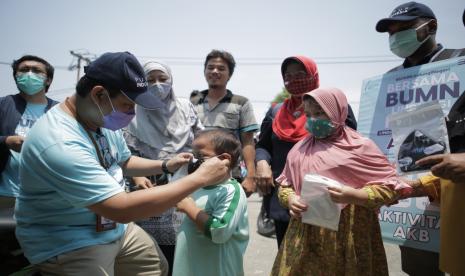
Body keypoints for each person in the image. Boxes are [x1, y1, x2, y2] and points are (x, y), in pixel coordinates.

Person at [14, 52, 230, 276]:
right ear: (99, 95)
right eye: (127, 104)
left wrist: (165, 165)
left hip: (113, 228)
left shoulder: (99, 120)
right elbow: (121, 208)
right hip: (70, 240)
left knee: (154, 265)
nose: (132, 113)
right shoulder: (59, 142)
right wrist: (200, 178)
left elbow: (124, 160)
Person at [271, 87, 413, 276]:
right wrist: (290, 199)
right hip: (306, 234)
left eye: (320, 113)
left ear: (337, 112)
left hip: (351, 232)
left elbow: (392, 188)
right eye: (308, 114)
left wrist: (355, 195)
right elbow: (285, 185)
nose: (313, 119)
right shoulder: (299, 149)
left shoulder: (362, 147)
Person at [376, 2, 465, 274]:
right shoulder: (388, 81)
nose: (396, 37)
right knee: (420, 267)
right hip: (412, 203)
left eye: (404, 29)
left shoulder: (460, 61)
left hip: (457, 189)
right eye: (392, 32)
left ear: (432, 27)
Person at [254, 56, 358, 247]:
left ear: (313, 74)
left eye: (300, 74)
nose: (294, 79)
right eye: (288, 76)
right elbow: (262, 146)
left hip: (327, 198)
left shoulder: (333, 106)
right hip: (285, 197)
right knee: (288, 259)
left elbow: (350, 146)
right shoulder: (275, 112)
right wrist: (261, 163)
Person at [124, 60, 203, 275]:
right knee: (155, 252)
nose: (158, 85)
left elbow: (201, 139)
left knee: (188, 245)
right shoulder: (133, 113)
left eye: (163, 79)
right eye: (150, 80)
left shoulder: (186, 107)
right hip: (151, 187)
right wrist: (139, 178)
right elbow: (127, 154)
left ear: (171, 80)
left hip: (186, 183)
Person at [173, 129, 249, 276]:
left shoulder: (230, 191)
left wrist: (190, 209)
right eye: (194, 155)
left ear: (224, 159)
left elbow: (220, 231)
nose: (194, 161)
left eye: (201, 156)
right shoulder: (196, 186)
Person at [190, 49, 259, 197]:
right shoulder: (192, 103)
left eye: (221, 68)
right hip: (194, 176)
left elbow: (248, 141)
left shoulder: (241, 103)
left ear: (230, 74)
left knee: (226, 219)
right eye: (210, 67)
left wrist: (251, 176)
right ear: (204, 71)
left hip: (229, 176)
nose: (215, 71)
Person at [0, 55, 57, 208]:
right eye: (24, 70)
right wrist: (6, 141)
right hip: (6, 195)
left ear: (48, 80)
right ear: (16, 77)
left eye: (36, 70)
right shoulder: (4, 105)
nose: (29, 74)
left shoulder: (60, 111)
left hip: (48, 197)